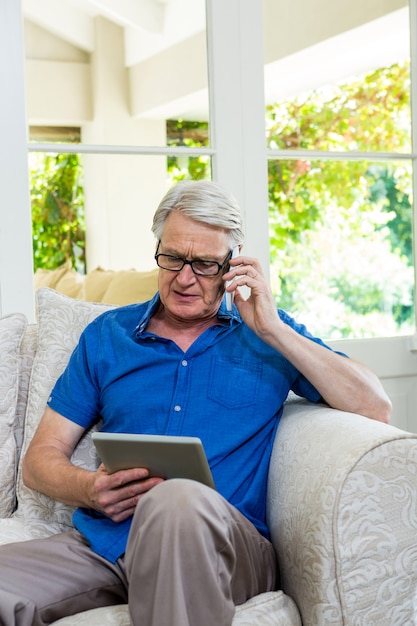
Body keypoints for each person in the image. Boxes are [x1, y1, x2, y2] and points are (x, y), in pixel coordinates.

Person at [0, 180, 391, 626]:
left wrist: (272, 330)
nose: (185, 278)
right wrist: (90, 489)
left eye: (205, 264)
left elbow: (374, 406)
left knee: (176, 499)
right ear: (158, 249)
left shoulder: (267, 334)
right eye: (172, 259)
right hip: (109, 543)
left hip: (224, 548)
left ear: (233, 264)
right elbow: (40, 460)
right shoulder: (108, 336)